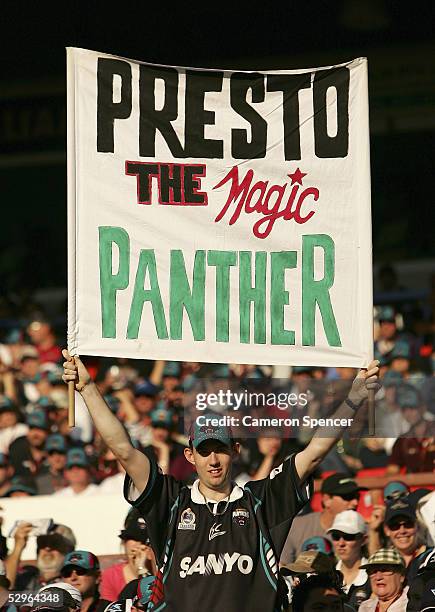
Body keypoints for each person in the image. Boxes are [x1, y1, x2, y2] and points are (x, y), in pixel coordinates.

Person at [62, 350, 380, 611]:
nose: (213, 460)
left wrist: (354, 396)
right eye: (204, 451)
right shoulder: (171, 501)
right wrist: (88, 388)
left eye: (221, 450)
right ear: (190, 456)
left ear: (236, 451)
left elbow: (315, 452)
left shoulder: (261, 500)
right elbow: (123, 449)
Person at [281, 473, 364, 564]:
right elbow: (283, 566)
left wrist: (374, 533)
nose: (355, 502)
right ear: (327, 500)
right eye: (348, 497)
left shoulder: (362, 529)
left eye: (357, 497)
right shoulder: (296, 526)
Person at [99, 512, 157, 603]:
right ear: (124, 542)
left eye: (144, 540)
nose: (138, 544)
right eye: (134, 538)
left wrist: (142, 569)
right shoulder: (111, 575)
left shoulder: (160, 571)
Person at [326, 510, 371, 609]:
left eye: (348, 537)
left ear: (363, 540)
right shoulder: (326, 576)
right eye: (336, 537)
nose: (341, 543)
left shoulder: (373, 576)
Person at [383, 498, 429, 580]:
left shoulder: (430, 558)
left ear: (416, 526)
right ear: (387, 530)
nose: (402, 531)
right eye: (395, 525)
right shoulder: (382, 562)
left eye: (408, 524)